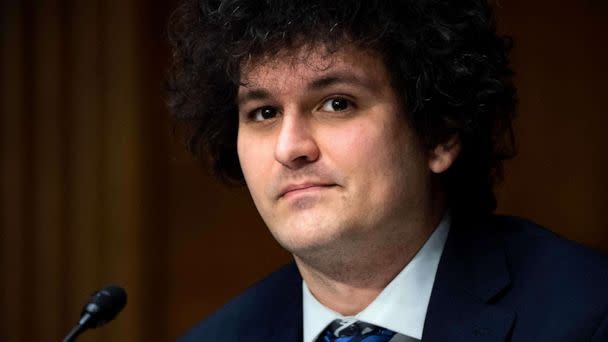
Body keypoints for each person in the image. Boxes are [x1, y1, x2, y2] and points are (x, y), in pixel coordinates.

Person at [166, 0, 608, 341]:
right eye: (263, 113)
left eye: (337, 103)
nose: (290, 148)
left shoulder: (588, 315)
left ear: (439, 133)